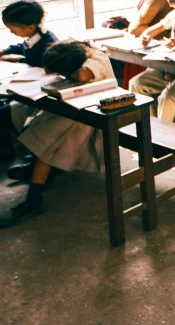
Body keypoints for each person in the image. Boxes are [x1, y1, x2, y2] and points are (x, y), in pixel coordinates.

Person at [1, 41, 114, 228]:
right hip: (72, 107)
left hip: (90, 116)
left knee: (48, 141)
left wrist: (71, 74)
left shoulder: (96, 59)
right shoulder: (76, 50)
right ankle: (34, 165)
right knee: (20, 112)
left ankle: (33, 201)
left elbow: (83, 75)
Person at [0, 0, 59, 160]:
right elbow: (22, 47)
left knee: (2, 112)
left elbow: (38, 63)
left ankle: (6, 150)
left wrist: (19, 61)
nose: (11, 32)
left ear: (30, 27)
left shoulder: (48, 43)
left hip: (39, 93)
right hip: (27, 85)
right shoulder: (36, 36)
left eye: (12, 29)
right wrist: (5, 51)